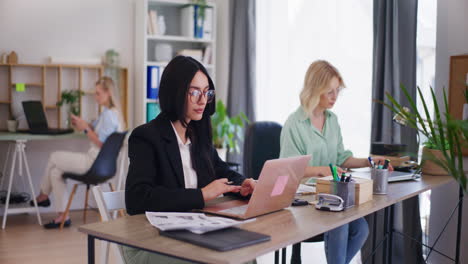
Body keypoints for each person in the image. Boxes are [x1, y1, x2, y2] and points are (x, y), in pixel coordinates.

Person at [124, 56, 257, 264]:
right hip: (152, 238)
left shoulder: (198, 134)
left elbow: (221, 170)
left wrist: (243, 184)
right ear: (175, 92)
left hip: (192, 231)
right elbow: (137, 198)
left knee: (246, 255)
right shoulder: (146, 137)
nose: (202, 100)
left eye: (206, 92)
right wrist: (201, 195)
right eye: (194, 92)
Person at [280, 60, 392, 264]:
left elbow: (342, 158)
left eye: (337, 90)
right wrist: (320, 171)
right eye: (329, 91)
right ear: (315, 89)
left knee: (361, 230)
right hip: (304, 200)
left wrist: (369, 161)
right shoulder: (294, 125)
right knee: (341, 224)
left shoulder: (332, 120)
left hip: (332, 195)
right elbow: (289, 170)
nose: (335, 97)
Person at [33, 76, 125, 229]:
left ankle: (43, 195)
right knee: (56, 172)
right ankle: (63, 216)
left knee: (54, 156)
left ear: (108, 93)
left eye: (98, 93)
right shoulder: (112, 113)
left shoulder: (109, 115)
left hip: (94, 163)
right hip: (105, 166)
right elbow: (96, 130)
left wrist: (85, 128)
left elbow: (101, 143)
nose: (95, 97)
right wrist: (84, 124)